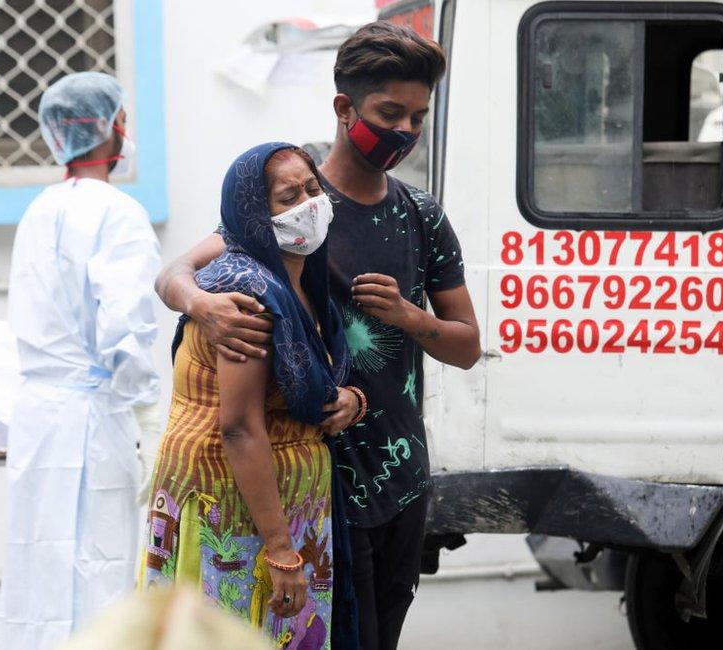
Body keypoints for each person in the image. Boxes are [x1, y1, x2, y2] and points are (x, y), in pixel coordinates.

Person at [155, 22, 481, 650]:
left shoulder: (421, 215)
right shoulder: (293, 199)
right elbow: (177, 270)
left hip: (400, 473)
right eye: (390, 113)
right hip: (321, 483)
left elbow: (466, 347)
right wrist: (204, 306)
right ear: (344, 108)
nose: (405, 133)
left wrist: (409, 318)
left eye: (418, 117)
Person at [140, 143, 360, 650]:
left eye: (312, 189)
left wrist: (352, 400)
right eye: (288, 197)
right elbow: (239, 427)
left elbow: (319, 380)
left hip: (290, 507)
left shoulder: (304, 279)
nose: (308, 204)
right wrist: (281, 551)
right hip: (236, 511)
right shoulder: (246, 297)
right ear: (255, 215)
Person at [0, 71, 161, 649]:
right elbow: (126, 325)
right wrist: (147, 415)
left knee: (36, 574)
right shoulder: (118, 214)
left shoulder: (38, 212)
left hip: (39, 419)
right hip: (94, 417)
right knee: (102, 574)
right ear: (113, 127)